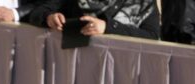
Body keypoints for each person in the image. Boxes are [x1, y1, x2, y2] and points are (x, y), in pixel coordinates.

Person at [30, 0, 160, 38]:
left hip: (121, 71)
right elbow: (38, 12)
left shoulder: (145, 2)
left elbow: (152, 35)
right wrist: (50, 18)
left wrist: (108, 27)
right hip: (76, 67)